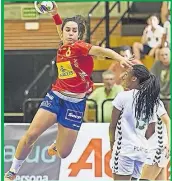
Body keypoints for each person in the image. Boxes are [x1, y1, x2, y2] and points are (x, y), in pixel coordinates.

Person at [5, 3, 132, 180]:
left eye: (74, 31)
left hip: (75, 103)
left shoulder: (80, 47)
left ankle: (57, 144)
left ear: (78, 34)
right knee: (31, 135)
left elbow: (103, 51)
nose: (70, 33)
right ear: (63, 33)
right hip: (55, 97)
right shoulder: (63, 46)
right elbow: (59, 27)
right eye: (67, 30)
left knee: (64, 153)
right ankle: (12, 172)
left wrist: (120, 58)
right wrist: (55, 14)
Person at [109, 64, 165, 180]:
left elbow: (112, 126)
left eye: (127, 73)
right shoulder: (152, 100)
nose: (124, 76)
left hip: (125, 149)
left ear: (134, 78)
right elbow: (151, 130)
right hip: (142, 150)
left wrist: (112, 145)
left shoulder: (123, 97)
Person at [140, 108, 170, 181]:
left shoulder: (156, 103)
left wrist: (169, 143)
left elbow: (168, 121)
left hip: (157, 151)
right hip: (153, 150)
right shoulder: (139, 104)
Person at [151, 47, 170, 115]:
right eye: (162, 55)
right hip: (159, 97)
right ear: (159, 56)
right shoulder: (157, 64)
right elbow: (151, 78)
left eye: (166, 54)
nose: (164, 57)